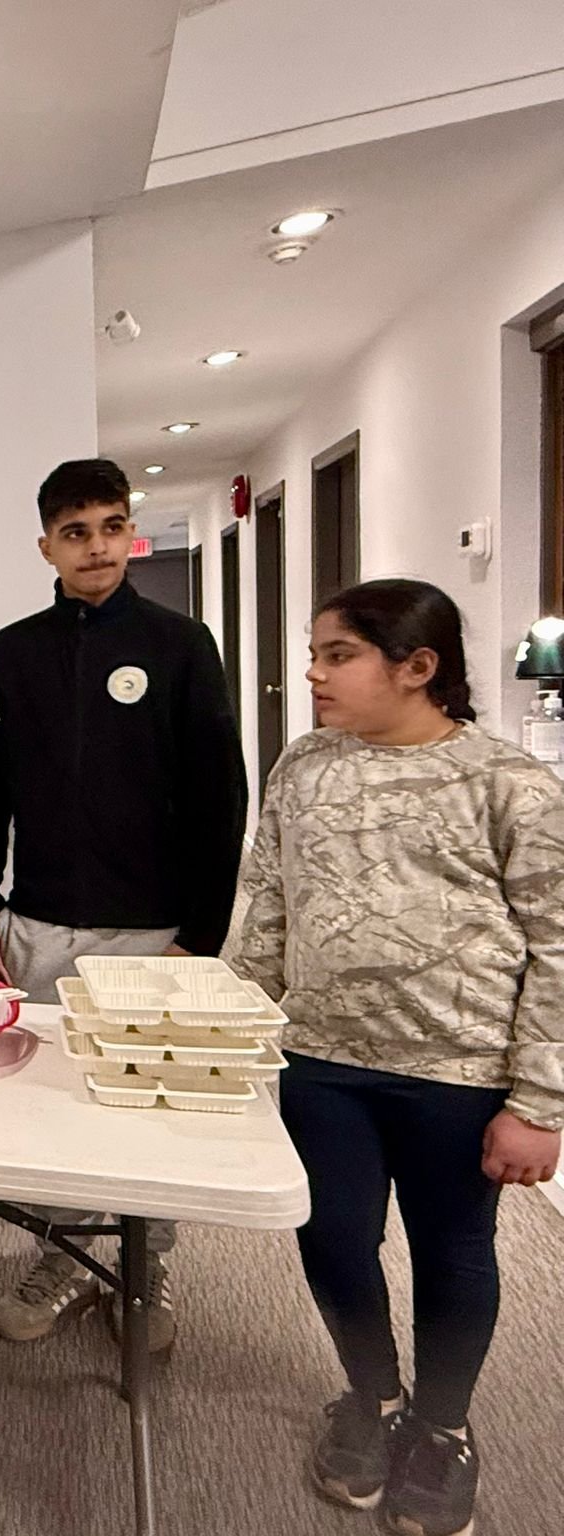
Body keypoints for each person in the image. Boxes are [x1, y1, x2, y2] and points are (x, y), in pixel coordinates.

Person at [226, 579, 562, 1536]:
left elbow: (558, 944)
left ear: (418, 667)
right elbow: (267, 898)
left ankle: (443, 1428)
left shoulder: (511, 783)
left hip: (458, 1072)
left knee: (453, 1250)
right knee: (332, 1238)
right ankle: (371, 1397)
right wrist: (232, 1029)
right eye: (314, 653)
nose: (313, 673)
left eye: (338, 655)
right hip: (321, 1059)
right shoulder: (305, 764)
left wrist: (540, 1104)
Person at [0, 459, 247, 1352]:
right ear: (46, 546)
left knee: (147, 1113)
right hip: (42, 921)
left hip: (154, 929)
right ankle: (61, 1258)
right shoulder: (12, 652)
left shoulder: (181, 644)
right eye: (76, 532)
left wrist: (200, 934)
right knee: (55, 1106)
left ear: (132, 532)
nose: (96, 547)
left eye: (111, 527)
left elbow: (220, 796)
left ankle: (142, 1266)